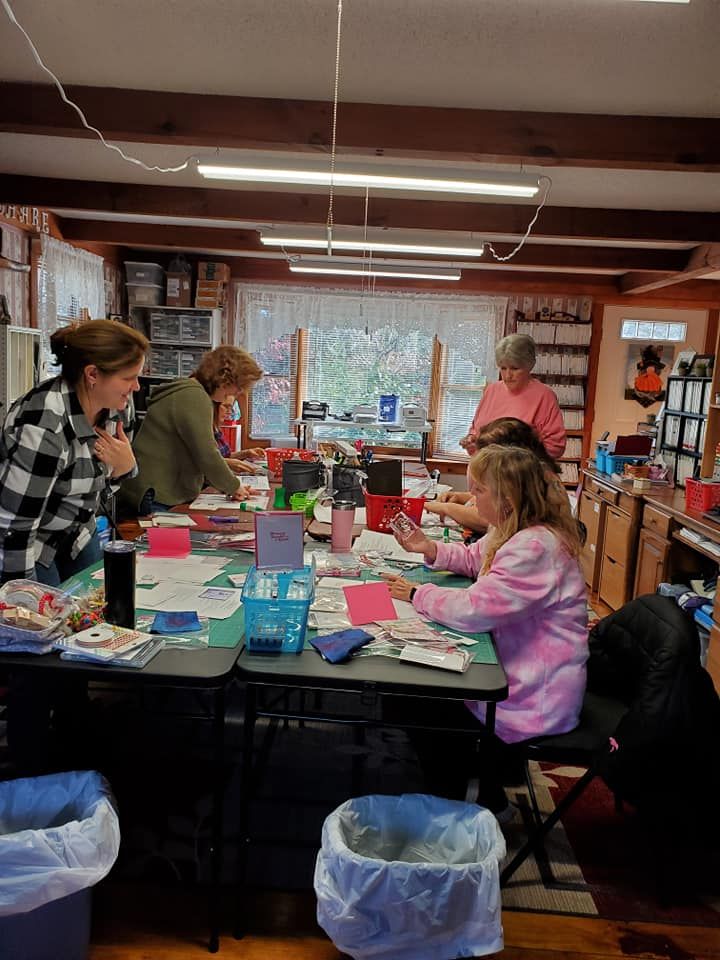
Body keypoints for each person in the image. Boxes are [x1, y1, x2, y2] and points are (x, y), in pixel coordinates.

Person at [384, 444, 588, 812]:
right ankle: (465, 778)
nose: (472, 498)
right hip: (523, 672)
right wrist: (428, 548)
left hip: (534, 696)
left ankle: (470, 797)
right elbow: (474, 560)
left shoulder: (536, 548)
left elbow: (474, 610)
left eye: (479, 489)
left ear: (507, 498)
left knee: (410, 696)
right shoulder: (511, 529)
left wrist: (417, 592)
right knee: (412, 692)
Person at [0, 319, 148, 585]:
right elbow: (15, 527)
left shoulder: (119, 406)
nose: (136, 387)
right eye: (128, 378)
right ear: (92, 375)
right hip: (31, 542)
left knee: (98, 608)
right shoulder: (44, 425)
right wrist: (21, 598)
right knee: (47, 618)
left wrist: (125, 470)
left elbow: (100, 488)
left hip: (78, 533)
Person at [119, 345, 263, 513]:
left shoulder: (190, 391)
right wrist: (234, 487)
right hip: (155, 493)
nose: (238, 393)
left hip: (155, 489)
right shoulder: (194, 396)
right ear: (225, 379)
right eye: (238, 388)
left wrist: (231, 486)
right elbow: (207, 454)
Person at [426, 416, 562, 532]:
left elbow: (487, 518)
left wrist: (445, 508)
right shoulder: (532, 471)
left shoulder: (537, 480)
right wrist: (460, 497)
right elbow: (498, 497)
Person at [460, 333, 566, 459]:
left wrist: (514, 456)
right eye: (503, 368)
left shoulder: (544, 396)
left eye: (515, 368)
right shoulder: (491, 390)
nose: (508, 375)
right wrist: (471, 440)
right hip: (483, 471)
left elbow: (555, 446)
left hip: (519, 474)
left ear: (529, 366)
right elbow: (476, 431)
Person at [212, 397, 266, 475]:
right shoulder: (203, 431)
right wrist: (227, 463)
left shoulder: (216, 428)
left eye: (231, 407)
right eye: (226, 406)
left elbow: (225, 456)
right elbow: (205, 462)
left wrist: (246, 453)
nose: (229, 412)